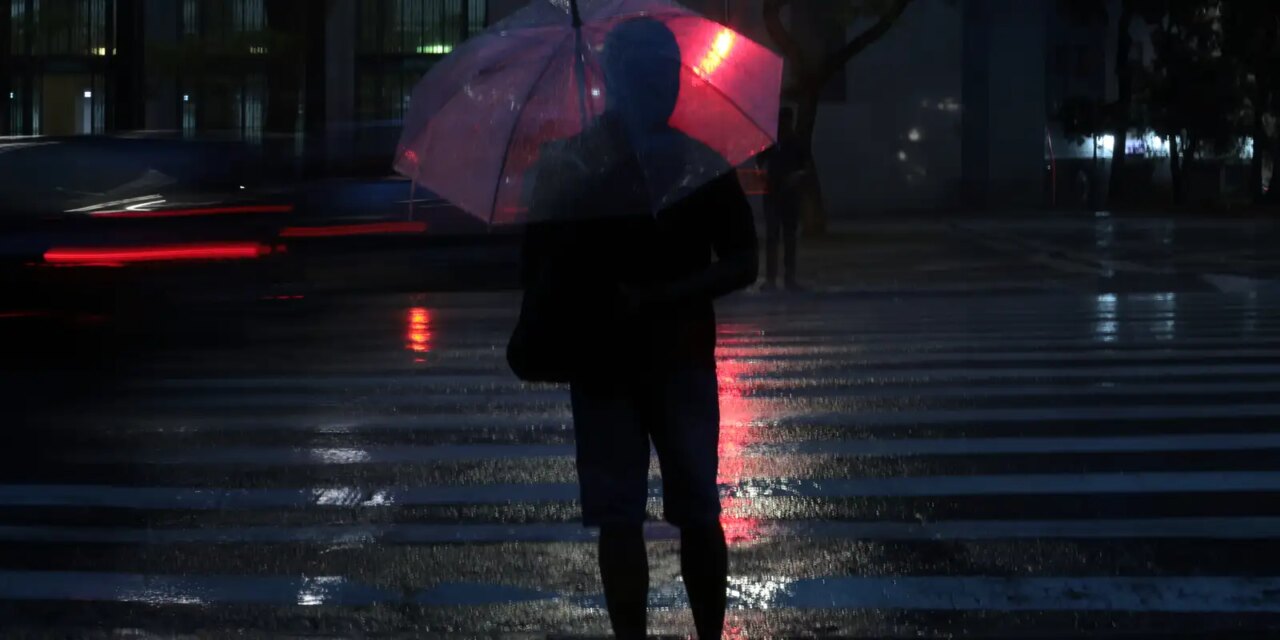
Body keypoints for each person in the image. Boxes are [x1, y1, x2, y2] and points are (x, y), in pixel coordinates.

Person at [517, 18, 758, 640]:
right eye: (652, 75)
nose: (664, 87)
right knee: (654, 515)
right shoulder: (661, 161)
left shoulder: (612, 161)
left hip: (642, 362)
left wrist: (651, 293)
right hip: (635, 361)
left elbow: (743, 260)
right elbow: (740, 260)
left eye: (668, 74)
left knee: (662, 514)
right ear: (618, 80)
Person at [755, 107, 808, 290]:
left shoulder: (796, 142)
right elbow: (759, 161)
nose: (784, 126)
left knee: (789, 236)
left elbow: (804, 167)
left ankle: (789, 277)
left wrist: (796, 177)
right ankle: (771, 279)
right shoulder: (770, 142)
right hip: (772, 193)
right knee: (772, 236)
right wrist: (763, 169)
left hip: (789, 195)